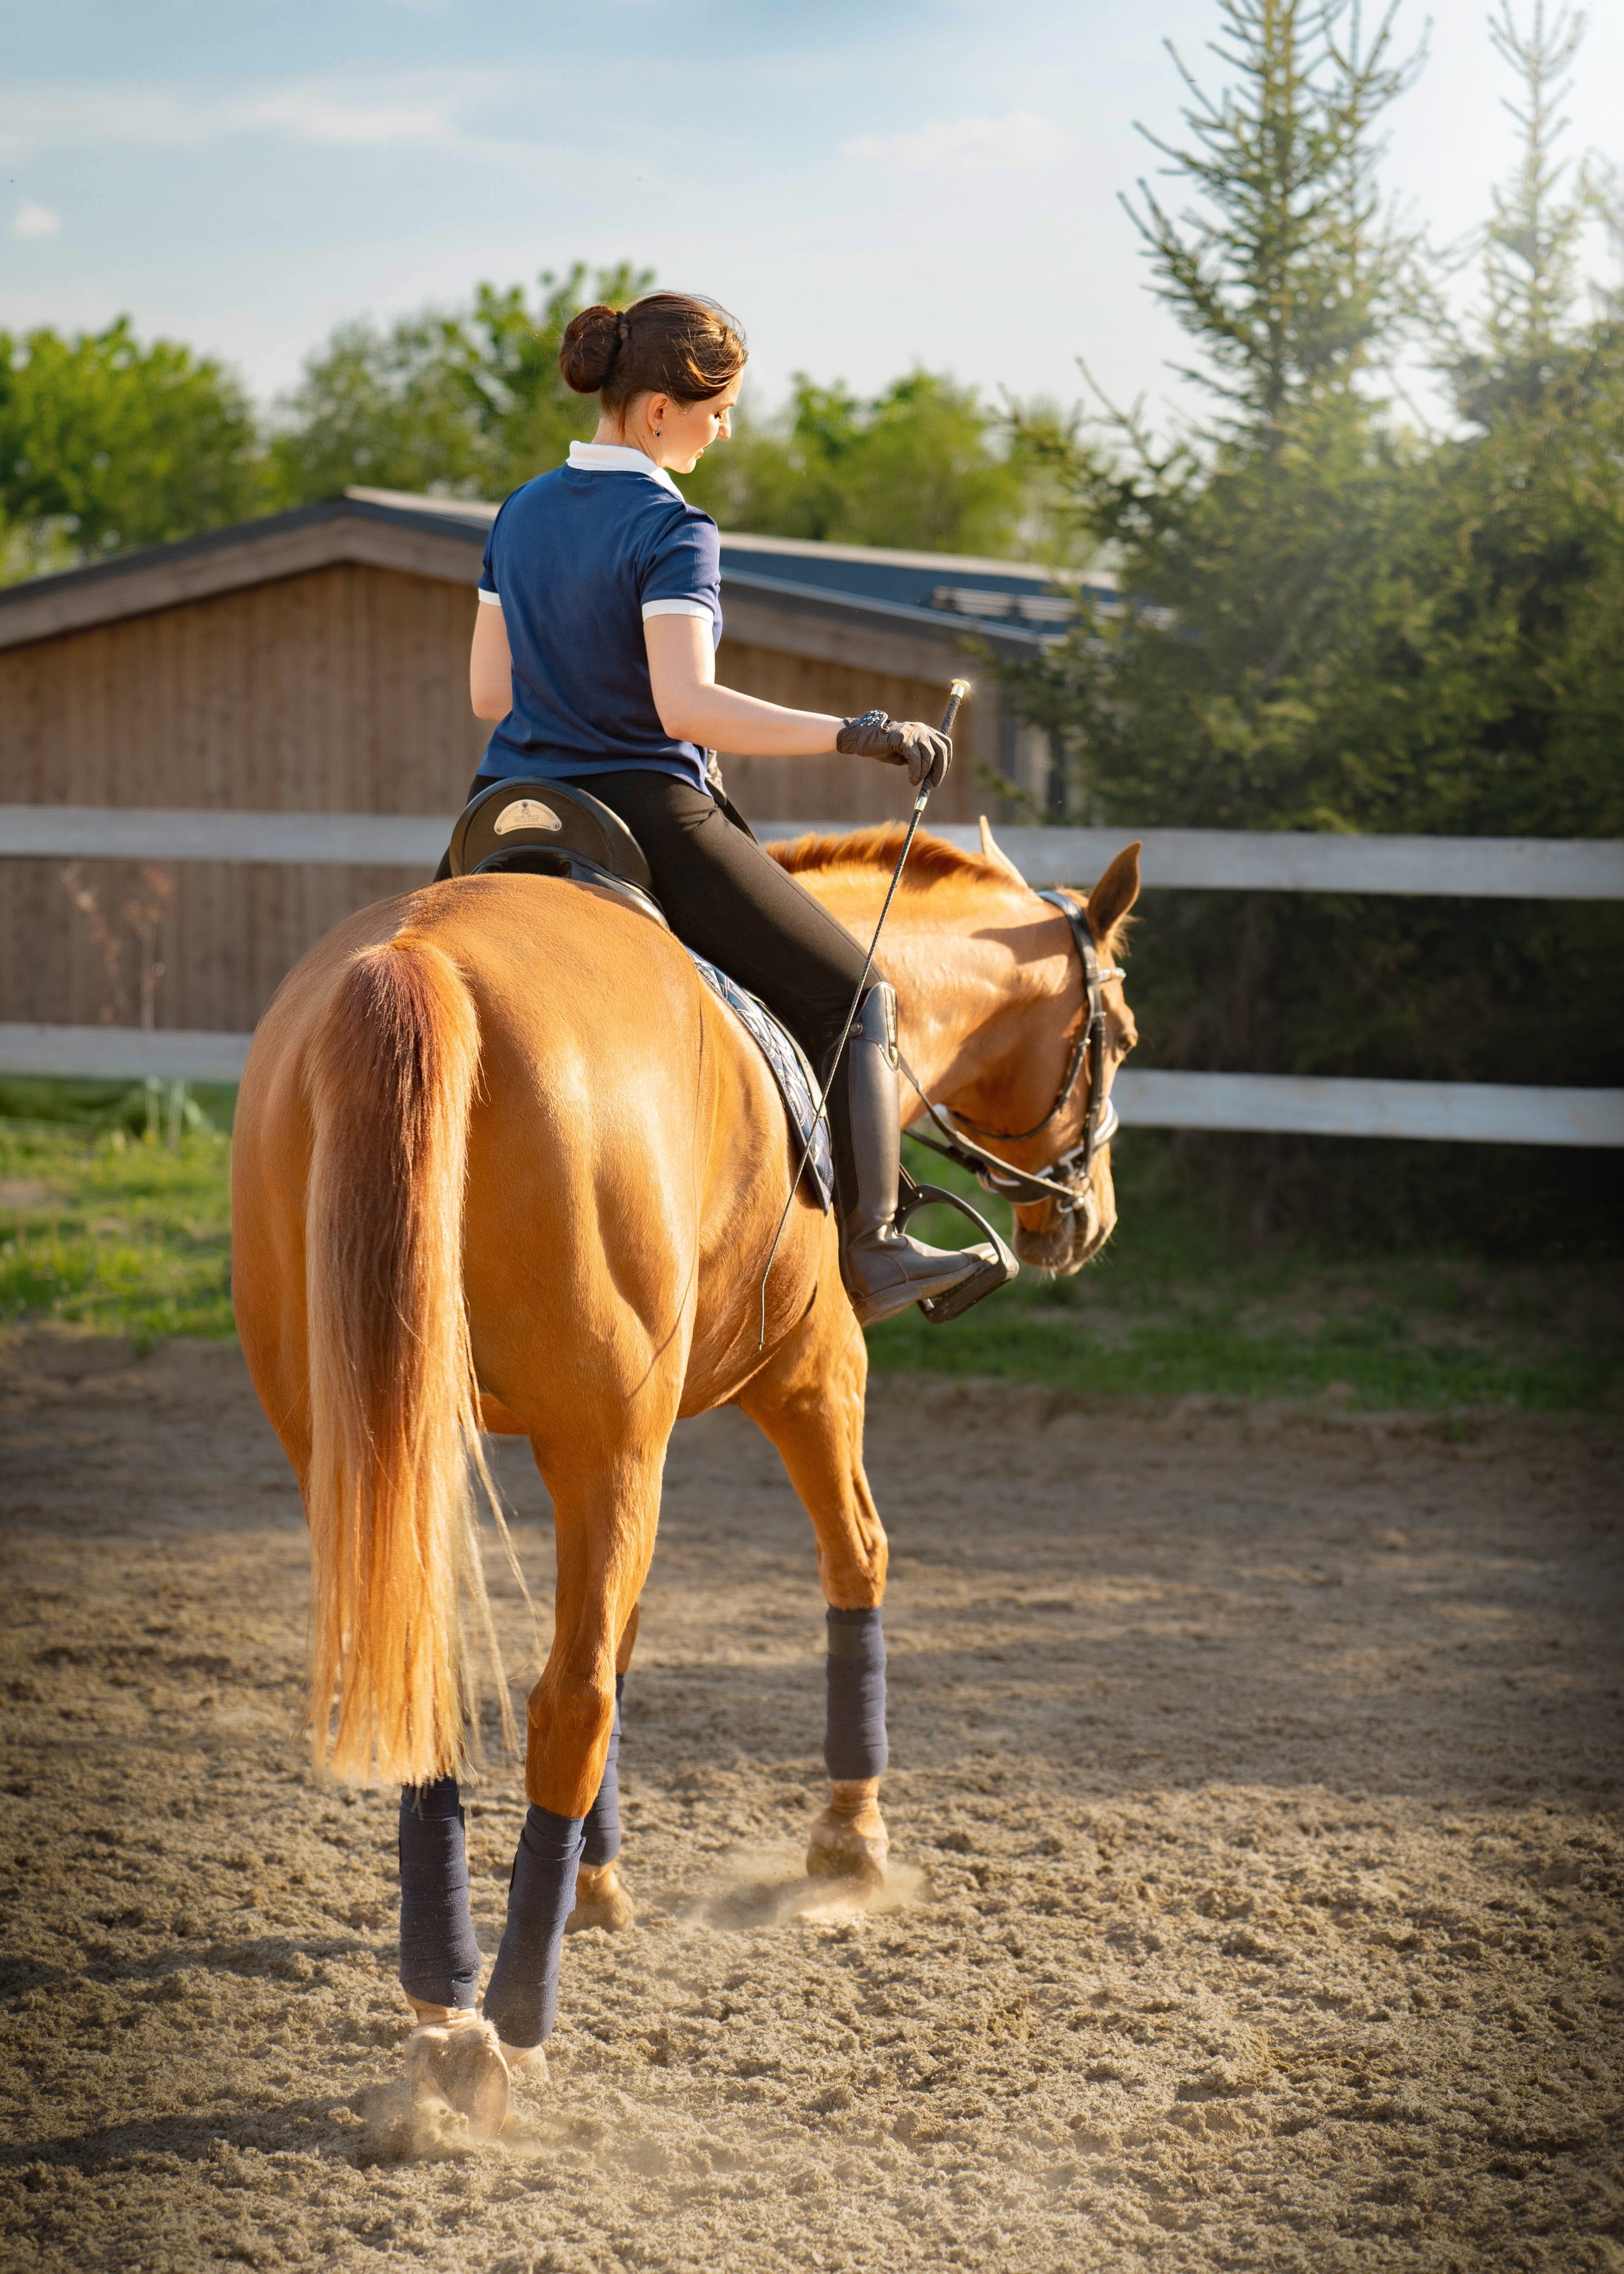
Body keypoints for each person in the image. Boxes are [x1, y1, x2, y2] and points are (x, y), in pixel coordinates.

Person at [457, 289, 999, 1327]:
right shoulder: (672, 528)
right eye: (717, 410)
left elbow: (491, 696)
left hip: (507, 809)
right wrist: (853, 732)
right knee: (860, 994)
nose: (726, 429)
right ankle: (878, 1248)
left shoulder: (519, 512)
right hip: (643, 811)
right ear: (657, 412)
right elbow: (686, 706)